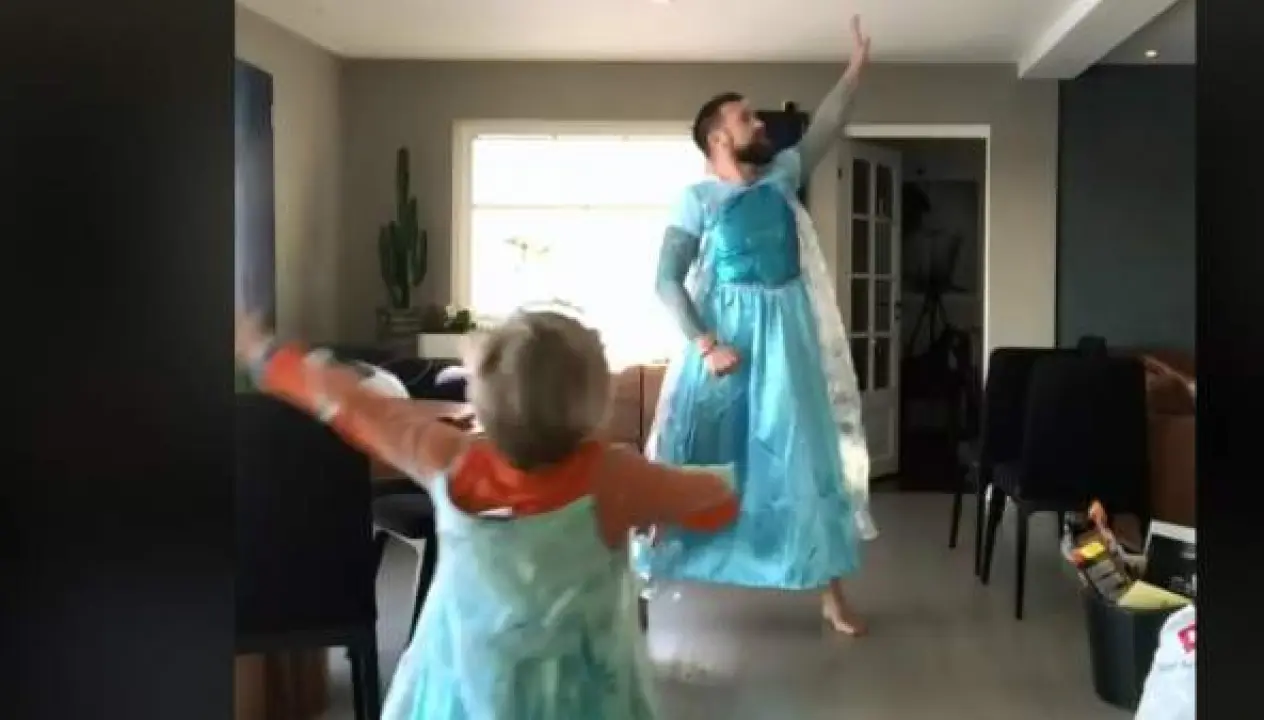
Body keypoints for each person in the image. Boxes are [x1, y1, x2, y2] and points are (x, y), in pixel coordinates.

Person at [235, 308, 740, 719]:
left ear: (481, 397)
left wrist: (267, 357)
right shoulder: (615, 479)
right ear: (596, 402)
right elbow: (716, 503)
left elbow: (354, 405)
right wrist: (675, 502)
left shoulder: (449, 459)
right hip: (578, 695)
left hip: (467, 685)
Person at [633, 15, 878, 636]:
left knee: (804, 457)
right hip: (724, 344)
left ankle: (830, 594)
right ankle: (641, 586)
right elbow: (667, 280)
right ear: (719, 138)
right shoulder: (696, 200)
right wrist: (706, 344)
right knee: (691, 453)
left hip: (786, 341)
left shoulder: (783, 175)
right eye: (747, 118)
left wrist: (855, 70)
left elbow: (826, 126)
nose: (760, 123)